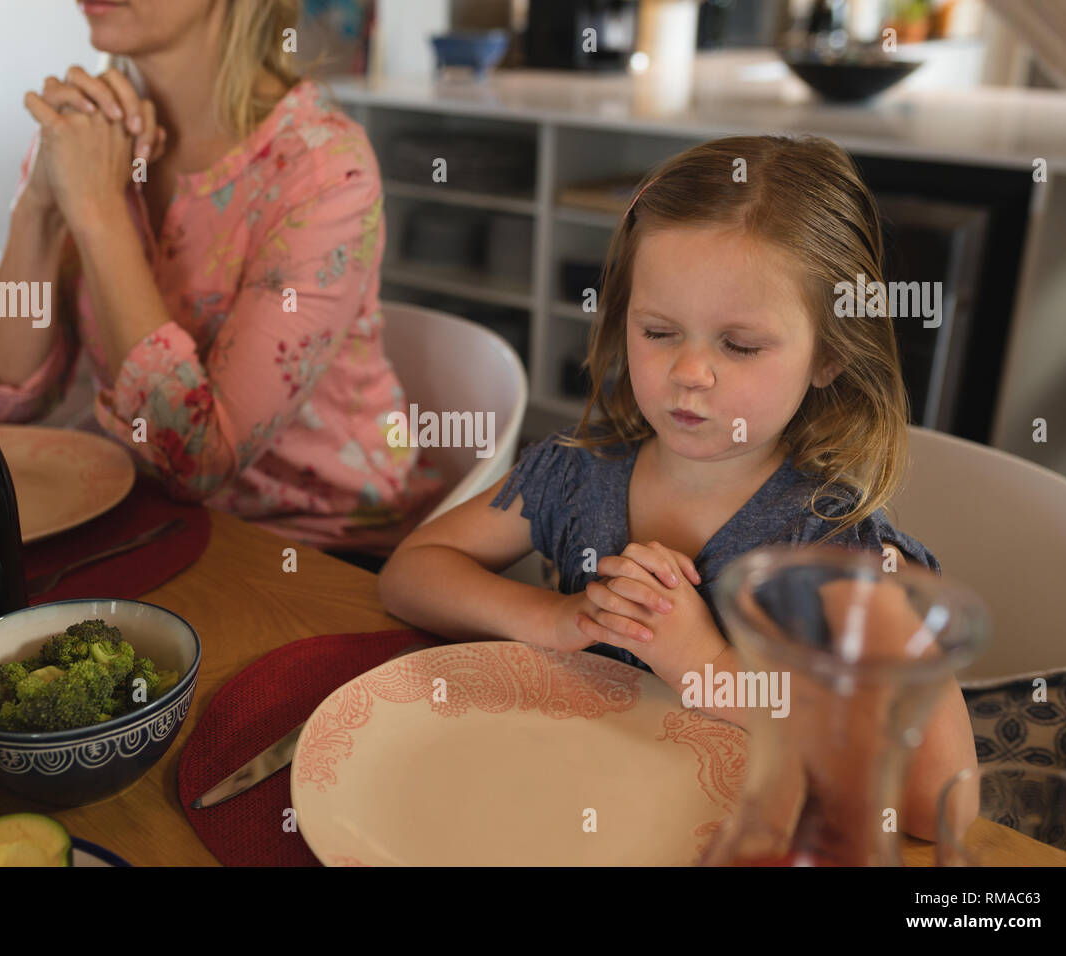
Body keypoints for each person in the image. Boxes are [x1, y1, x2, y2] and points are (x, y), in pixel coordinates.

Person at [379, 134, 976, 840]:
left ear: (830, 355)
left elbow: (939, 803)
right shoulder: (576, 476)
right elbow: (409, 574)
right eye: (659, 331)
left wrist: (712, 669)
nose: (690, 371)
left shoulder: (839, 554)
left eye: (740, 345)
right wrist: (554, 619)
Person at [0, 0, 444, 568]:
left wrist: (96, 207)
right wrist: (39, 204)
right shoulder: (87, 134)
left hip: (325, 547)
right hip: (147, 515)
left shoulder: (326, 167)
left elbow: (200, 461)